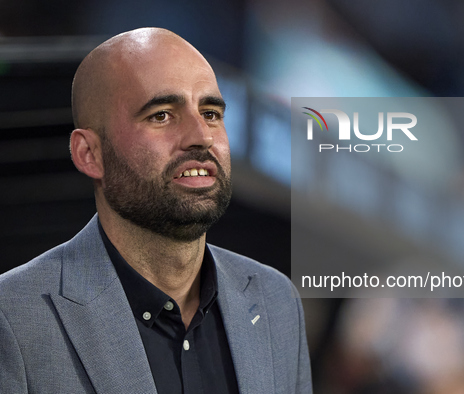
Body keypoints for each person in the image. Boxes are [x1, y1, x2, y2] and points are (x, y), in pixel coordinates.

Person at [0, 27, 312, 394]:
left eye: (211, 113)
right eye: (162, 115)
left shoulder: (276, 301)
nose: (201, 136)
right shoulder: (14, 316)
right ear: (89, 154)